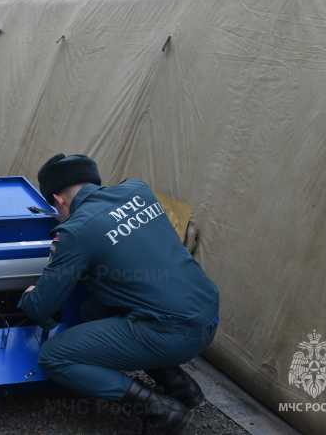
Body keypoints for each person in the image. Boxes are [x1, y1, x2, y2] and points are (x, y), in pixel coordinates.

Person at [18, 154, 219, 435]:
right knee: (90, 310)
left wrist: (30, 294)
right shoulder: (138, 190)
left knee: (54, 357)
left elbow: (40, 307)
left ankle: (162, 411)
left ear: (58, 200)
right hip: (207, 315)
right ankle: (181, 387)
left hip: (174, 333)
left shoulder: (75, 231)